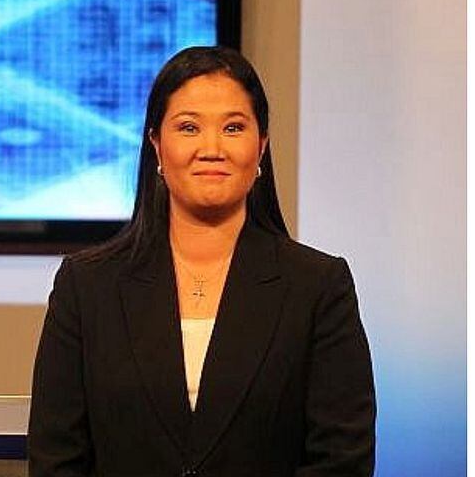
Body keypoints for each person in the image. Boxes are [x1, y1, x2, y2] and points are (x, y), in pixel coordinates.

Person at [28, 46, 375, 476]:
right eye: (189, 127)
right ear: (157, 144)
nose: (211, 148)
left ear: (261, 145)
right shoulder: (86, 286)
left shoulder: (318, 287)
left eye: (233, 127)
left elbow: (342, 459)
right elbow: (56, 459)